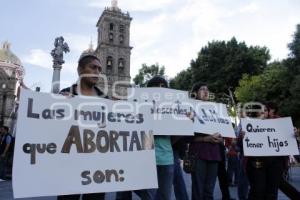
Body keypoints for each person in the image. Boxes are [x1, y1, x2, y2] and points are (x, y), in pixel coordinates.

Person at [57, 53, 105, 200]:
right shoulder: (64, 95)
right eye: (93, 67)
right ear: (80, 70)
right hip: (69, 167)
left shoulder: (106, 100)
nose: (97, 72)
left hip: (98, 168)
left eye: (99, 69)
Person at [188, 82, 222, 200]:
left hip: (214, 154)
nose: (206, 91)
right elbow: (186, 136)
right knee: (198, 190)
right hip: (198, 155)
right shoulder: (190, 109)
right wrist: (204, 138)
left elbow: (223, 130)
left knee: (209, 190)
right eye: (202, 89)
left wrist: (220, 137)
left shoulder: (216, 110)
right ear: (195, 93)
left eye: (207, 89)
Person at [246, 102, 286, 200]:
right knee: (257, 191)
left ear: (268, 112)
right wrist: (242, 137)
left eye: (265, 110)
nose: (263, 113)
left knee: (272, 192)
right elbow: (239, 144)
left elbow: (286, 140)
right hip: (257, 163)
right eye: (260, 111)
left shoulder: (278, 123)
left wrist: (292, 133)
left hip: (275, 163)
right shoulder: (249, 125)